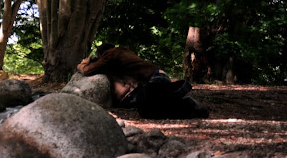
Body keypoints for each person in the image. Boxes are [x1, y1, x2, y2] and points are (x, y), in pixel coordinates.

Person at [77, 43, 209, 119]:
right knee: (152, 108)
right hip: (153, 81)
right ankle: (186, 105)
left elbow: (87, 70)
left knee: (147, 109)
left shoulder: (111, 54)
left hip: (154, 80)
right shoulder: (122, 55)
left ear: (102, 54)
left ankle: (187, 104)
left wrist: (83, 64)